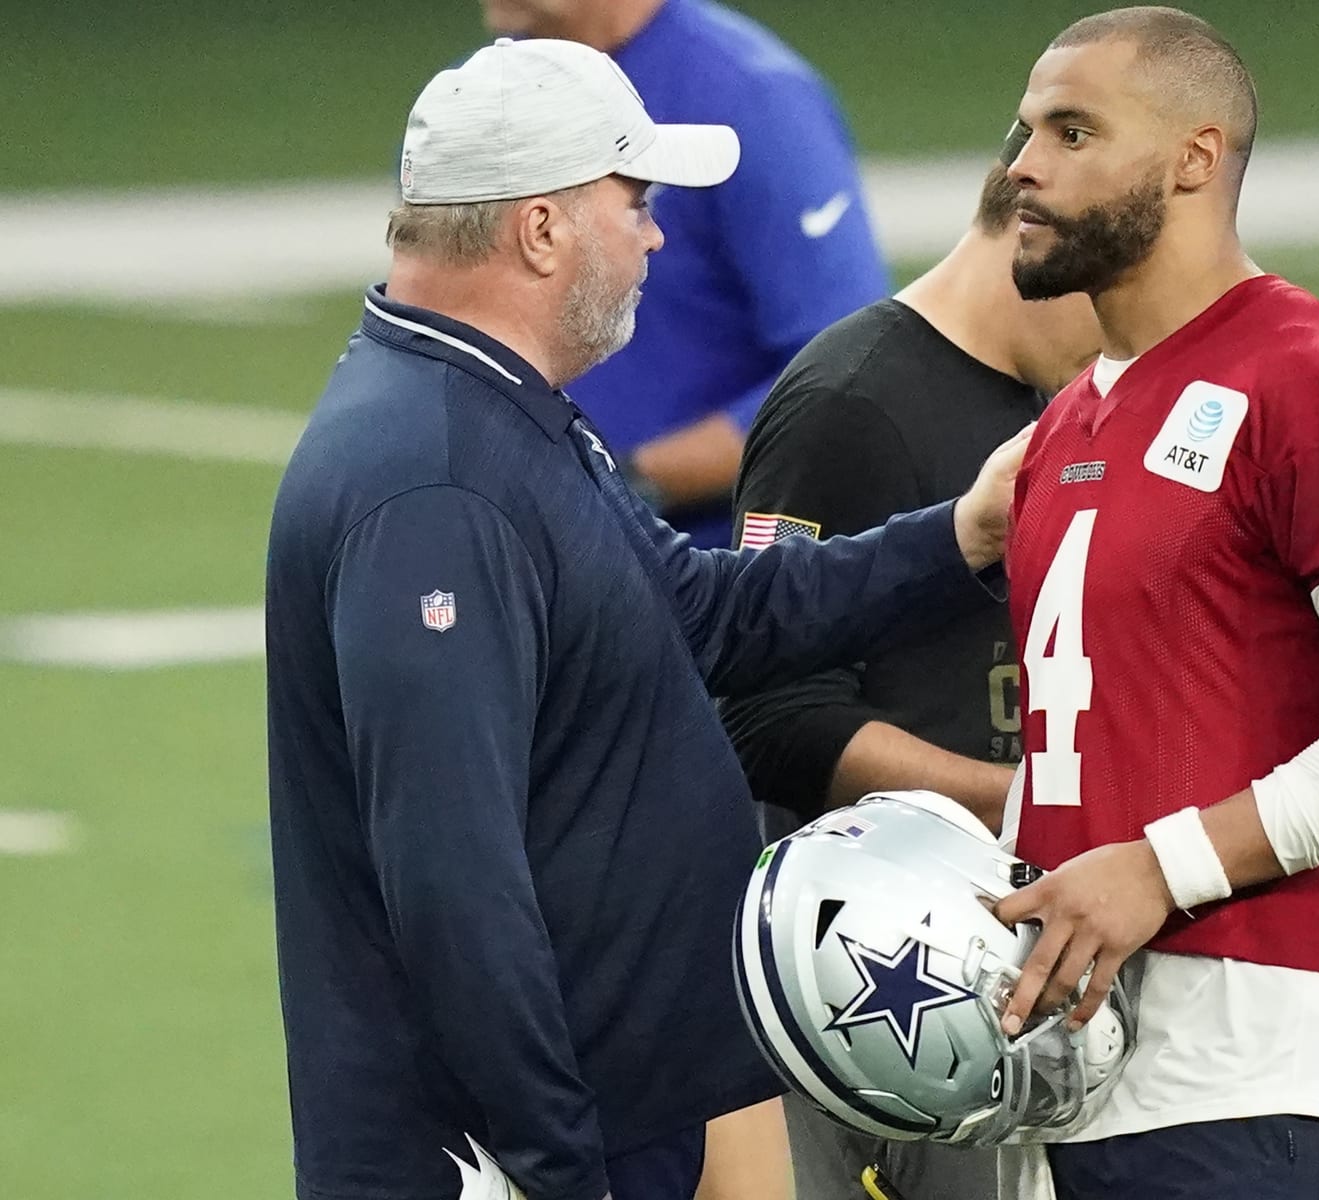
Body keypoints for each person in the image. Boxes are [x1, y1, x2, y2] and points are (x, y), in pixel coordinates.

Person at [264, 38, 1025, 1200]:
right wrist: (562, 1161)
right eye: (638, 201)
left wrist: (959, 535)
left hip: (616, 1116)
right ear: (541, 230)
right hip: (520, 1151)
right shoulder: (436, 481)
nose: (656, 236)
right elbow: (452, 881)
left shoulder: (499, 413)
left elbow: (703, 612)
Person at [984, 9, 1319, 1200]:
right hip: (1067, 1082)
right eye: (1026, 132)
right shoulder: (1072, 418)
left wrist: (1160, 866)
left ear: (1194, 158)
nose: (1024, 164)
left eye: (1074, 132)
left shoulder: (1314, 383)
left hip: (1256, 1077)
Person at [719, 160, 1101, 1200]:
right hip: (862, 967)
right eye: (1107, 287)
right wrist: (1025, 805)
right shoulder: (850, 403)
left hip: (988, 951)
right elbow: (768, 714)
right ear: (1030, 239)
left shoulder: (1053, 392)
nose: (1122, 328)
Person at [478, 0, 889, 548]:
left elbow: (850, 375)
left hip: (702, 572)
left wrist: (625, 485)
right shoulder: (478, 105)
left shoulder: (753, 99)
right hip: (527, 558)